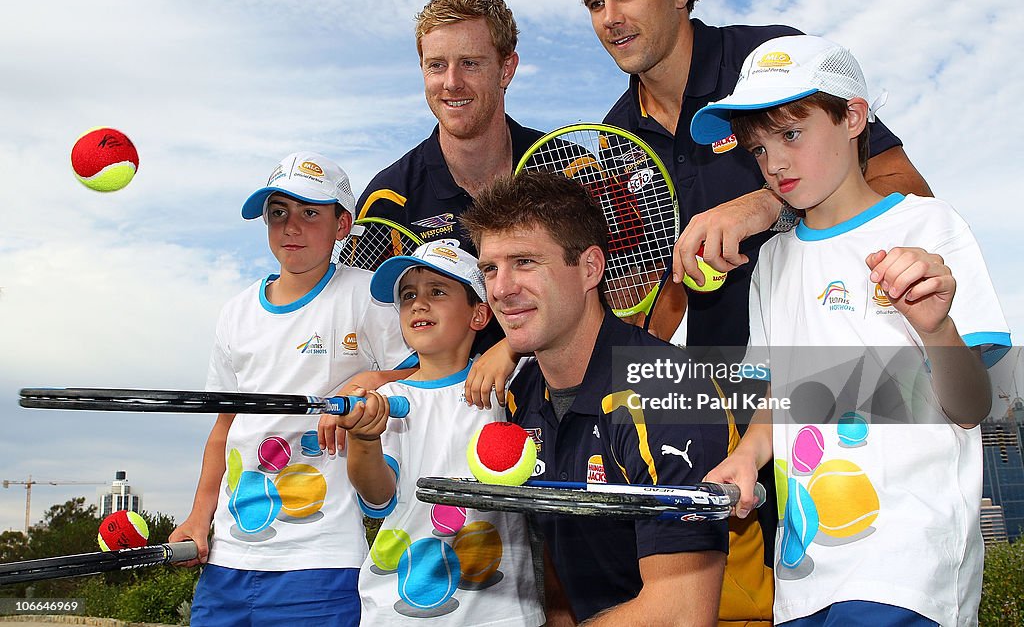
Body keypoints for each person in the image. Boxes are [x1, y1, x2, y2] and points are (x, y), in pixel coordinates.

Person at [693, 34, 1010, 625]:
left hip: (910, 567)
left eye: (791, 135)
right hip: (803, 579)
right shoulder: (773, 260)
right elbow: (777, 406)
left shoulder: (929, 225)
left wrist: (938, 328)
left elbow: (970, 406)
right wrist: (745, 456)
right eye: (759, 149)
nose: (775, 163)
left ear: (854, 117)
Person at [575, 0, 933, 351]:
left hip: (840, 355)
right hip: (723, 382)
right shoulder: (617, 134)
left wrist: (769, 204)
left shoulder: (772, 58)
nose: (609, 17)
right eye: (595, 3)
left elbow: (910, 190)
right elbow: (665, 285)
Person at [461, 172, 731, 625]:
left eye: (525, 262)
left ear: (590, 268)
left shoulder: (672, 388)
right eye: (490, 268)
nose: (501, 288)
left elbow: (682, 613)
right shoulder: (522, 394)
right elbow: (559, 569)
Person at [169, 152, 415, 627]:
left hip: (321, 559)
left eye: (310, 212)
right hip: (228, 558)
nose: (291, 227)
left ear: (343, 224)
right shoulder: (236, 312)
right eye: (277, 212)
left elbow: (420, 376)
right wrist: (200, 518)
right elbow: (224, 427)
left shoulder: (366, 295)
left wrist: (365, 382)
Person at [334, 239, 544, 625]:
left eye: (438, 291)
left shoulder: (515, 380)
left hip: (498, 611)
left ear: (479, 315)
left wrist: (510, 347)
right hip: (397, 612)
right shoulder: (389, 397)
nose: (418, 303)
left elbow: (564, 338)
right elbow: (377, 498)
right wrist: (364, 438)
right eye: (408, 295)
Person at [355, 0, 543, 253]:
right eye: (437, 66)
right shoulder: (388, 200)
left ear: (506, 69)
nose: (452, 83)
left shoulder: (571, 169)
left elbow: (623, 282)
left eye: (470, 63)